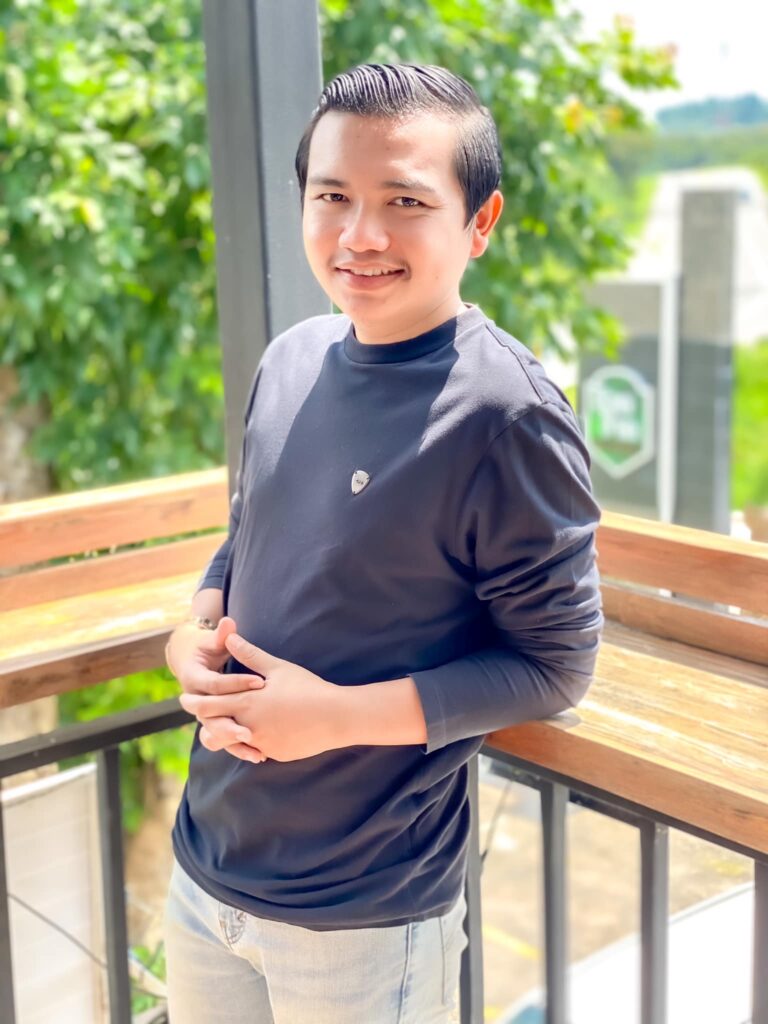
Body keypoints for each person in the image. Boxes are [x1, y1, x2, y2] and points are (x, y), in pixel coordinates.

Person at [163, 62, 602, 1024]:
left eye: (404, 201)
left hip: (364, 913)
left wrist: (333, 717)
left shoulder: (509, 414)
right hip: (205, 869)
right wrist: (192, 631)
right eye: (333, 196)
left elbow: (556, 666)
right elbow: (245, 534)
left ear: (479, 222)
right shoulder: (290, 359)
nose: (359, 234)